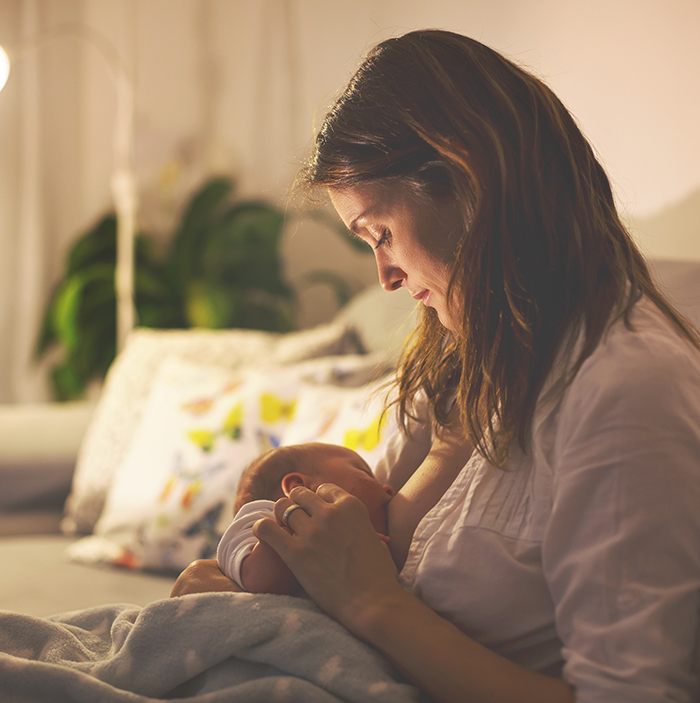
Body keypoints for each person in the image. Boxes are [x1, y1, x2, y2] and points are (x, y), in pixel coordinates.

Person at [170, 29, 700, 703]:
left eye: (379, 233)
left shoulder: (626, 391)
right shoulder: (461, 356)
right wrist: (249, 588)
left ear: (466, 179)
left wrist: (375, 604)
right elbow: (348, 549)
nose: (385, 275)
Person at [215, 442, 394, 595]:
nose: (387, 489)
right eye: (363, 472)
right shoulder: (261, 518)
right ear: (298, 488)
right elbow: (255, 576)